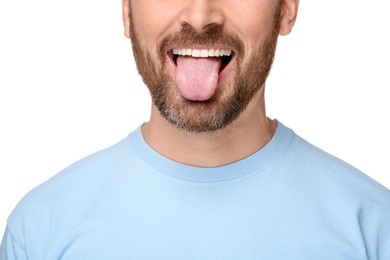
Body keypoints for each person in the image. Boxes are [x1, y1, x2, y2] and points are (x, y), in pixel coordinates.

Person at [1, 0, 389, 258]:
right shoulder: (41, 229)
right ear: (126, 10)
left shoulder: (374, 228)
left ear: (286, 9)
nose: (201, 16)